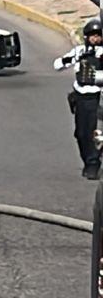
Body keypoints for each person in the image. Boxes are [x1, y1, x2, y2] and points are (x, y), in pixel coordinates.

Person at [56, 18, 103, 179]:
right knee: (80, 134)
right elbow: (57, 65)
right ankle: (87, 161)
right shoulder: (79, 51)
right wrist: (71, 59)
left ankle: (93, 163)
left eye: (98, 35)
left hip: (95, 98)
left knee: (92, 133)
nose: (96, 39)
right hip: (80, 98)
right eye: (93, 36)